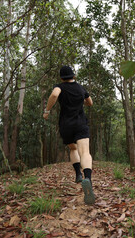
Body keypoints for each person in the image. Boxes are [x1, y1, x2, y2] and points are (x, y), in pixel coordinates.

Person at [43, 65, 95, 205]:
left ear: (61, 77)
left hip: (66, 125)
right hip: (80, 124)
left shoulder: (59, 87)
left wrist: (47, 111)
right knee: (85, 152)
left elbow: (54, 95)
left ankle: (78, 174)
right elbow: (90, 102)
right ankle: (88, 179)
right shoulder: (80, 88)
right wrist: (81, 100)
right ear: (74, 76)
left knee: (73, 149)